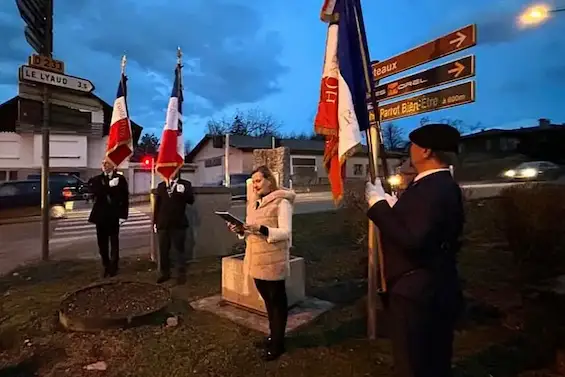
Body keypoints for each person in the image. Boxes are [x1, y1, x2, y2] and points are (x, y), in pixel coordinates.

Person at [365, 123, 465, 377]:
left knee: (414, 363)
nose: (410, 149)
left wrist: (378, 206)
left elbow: (412, 238)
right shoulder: (435, 185)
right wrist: (393, 206)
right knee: (431, 359)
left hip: (417, 291)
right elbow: (421, 225)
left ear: (426, 151)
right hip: (428, 285)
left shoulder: (434, 187)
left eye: (413, 144)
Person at [226, 165, 296, 361]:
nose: (254, 185)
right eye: (253, 182)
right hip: (256, 261)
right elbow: (251, 232)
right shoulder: (256, 203)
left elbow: (285, 232)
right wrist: (240, 230)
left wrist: (261, 228)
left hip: (273, 261)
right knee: (268, 302)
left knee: (277, 304)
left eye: (258, 181)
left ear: (269, 180)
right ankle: (273, 336)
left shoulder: (282, 202)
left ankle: (278, 344)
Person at [88, 158, 129, 277]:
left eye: (107, 163)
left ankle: (114, 267)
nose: (105, 165)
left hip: (114, 215)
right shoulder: (97, 179)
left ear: (113, 165)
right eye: (103, 163)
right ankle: (105, 265)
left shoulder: (120, 179)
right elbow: (96, 193)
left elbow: (125, 198)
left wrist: (123, 216)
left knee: (114, 242)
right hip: (101, 216)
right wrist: (109, 186)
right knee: (102, 243)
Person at [153, 172, 194, 284]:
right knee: (163, 250)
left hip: (178, 223)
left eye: (174, 170)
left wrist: (184, 193)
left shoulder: (186, 184)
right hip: (163, 224)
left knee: (179, 250)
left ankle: (180, 274)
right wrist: (155, 222)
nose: (171, 173)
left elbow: (191, 201)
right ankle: (164, 273)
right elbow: (157, 205)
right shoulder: (161, 186)